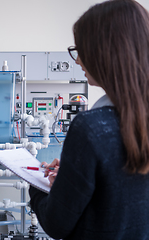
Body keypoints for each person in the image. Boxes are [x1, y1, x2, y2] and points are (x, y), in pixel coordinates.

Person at [29, 0, 149, 239]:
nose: (78, 60)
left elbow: (57, 224)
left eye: (80, 50)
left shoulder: (90, 128)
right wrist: (74, 175)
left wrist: (34, 183)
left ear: (103, 53)